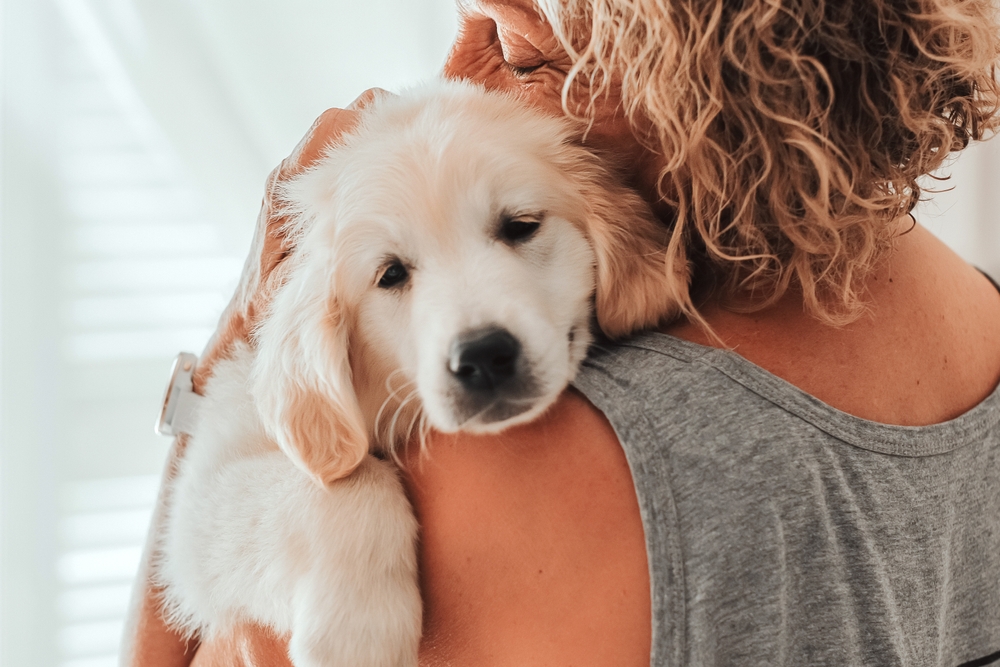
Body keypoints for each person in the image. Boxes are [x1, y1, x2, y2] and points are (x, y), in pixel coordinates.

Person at [122, 0, 1000, 664]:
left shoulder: (530, 465)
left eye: (518, 49)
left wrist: (241, 328)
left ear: (695, 77)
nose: (458, 73)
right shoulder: (980, 312)